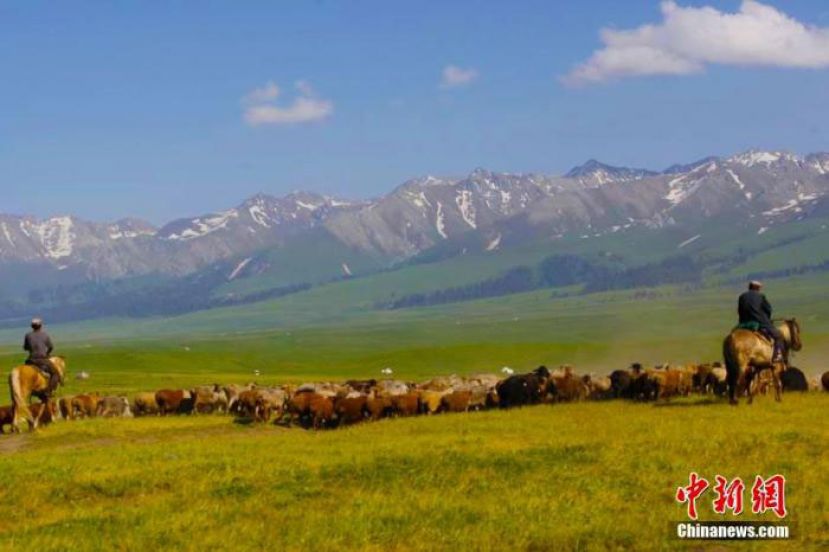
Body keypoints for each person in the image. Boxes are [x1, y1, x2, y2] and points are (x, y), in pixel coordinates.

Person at [737, 281, 784, 363]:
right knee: (778, 335)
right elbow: (768, 310)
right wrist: (767, 319)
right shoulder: (761, 296)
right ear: (758, 288)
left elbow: (739, 311)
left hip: (743, 323)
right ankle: (777, 356)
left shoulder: (741, 297)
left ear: (749, 287)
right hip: (759, 322)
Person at [23, 318, 59, 394]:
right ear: (40, 326)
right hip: (42, 359)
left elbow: (25, 348)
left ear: (32, 326)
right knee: (55, 373)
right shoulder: (45, 335)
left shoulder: (27, 335)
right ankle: (49, 391)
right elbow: (51, 347)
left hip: (31, 360)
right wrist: (47, 353)